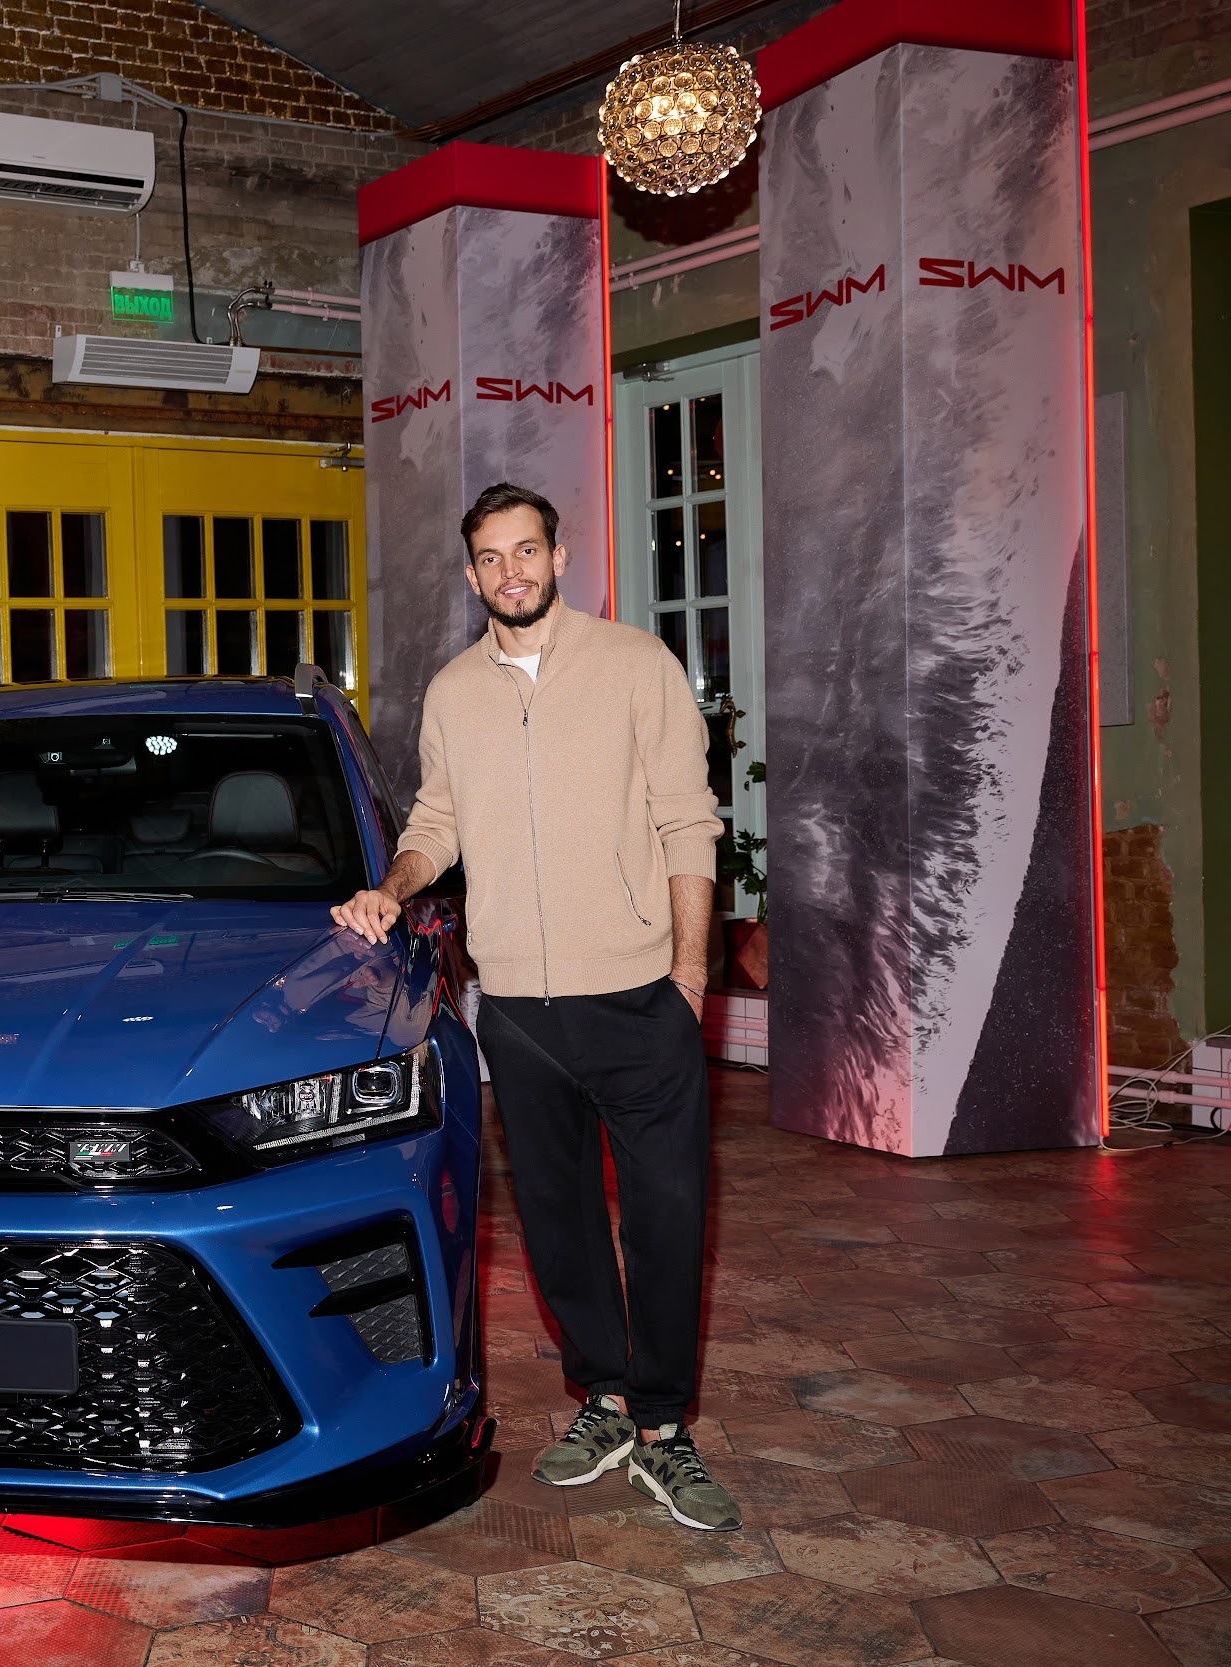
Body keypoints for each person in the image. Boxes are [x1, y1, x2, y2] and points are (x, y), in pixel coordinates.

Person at [331, 483, 737, 1532]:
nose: (510, 571)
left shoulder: (636, 664)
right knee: (558, 1225)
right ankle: (605, 1396)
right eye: (490, 557)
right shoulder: (453, 692)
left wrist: (690, 977)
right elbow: (437, 821)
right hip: (515, 1006)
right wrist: (395, 884)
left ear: (559, 556)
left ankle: (663, 1424)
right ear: (471, 575)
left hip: (640, 994)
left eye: (526, 551)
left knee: (666, 1220)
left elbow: (688, 821)